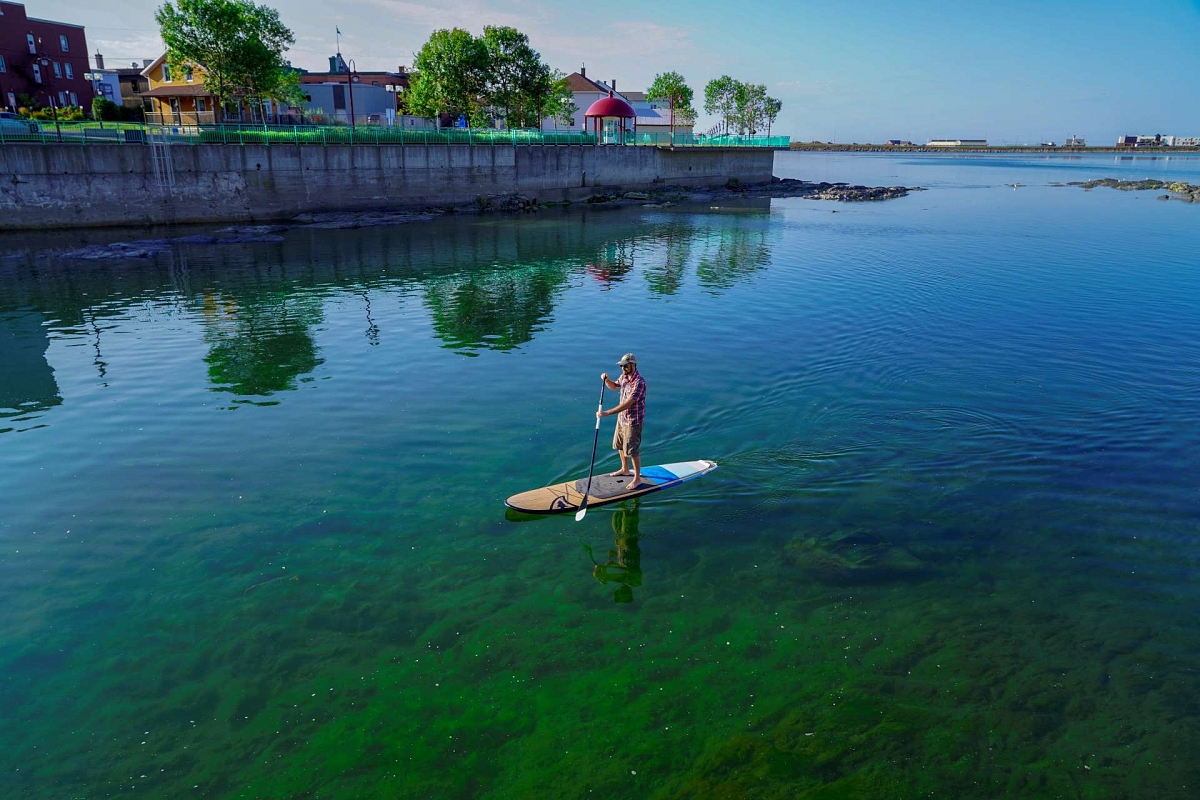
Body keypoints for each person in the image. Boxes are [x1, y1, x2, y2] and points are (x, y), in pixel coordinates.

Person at [599, 353, 647, 487]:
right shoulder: (624, 377)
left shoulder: (639, 383)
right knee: (620, 446)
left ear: (633, 365)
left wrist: (607, 413)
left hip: (633, 421)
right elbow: (614, 386)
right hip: (622, 419)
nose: (623, 368)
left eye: (625, 366)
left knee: (632, 451)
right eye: (621, 366)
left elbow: (628, 403)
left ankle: (637, 478)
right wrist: (607, 380)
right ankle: (625, 469)